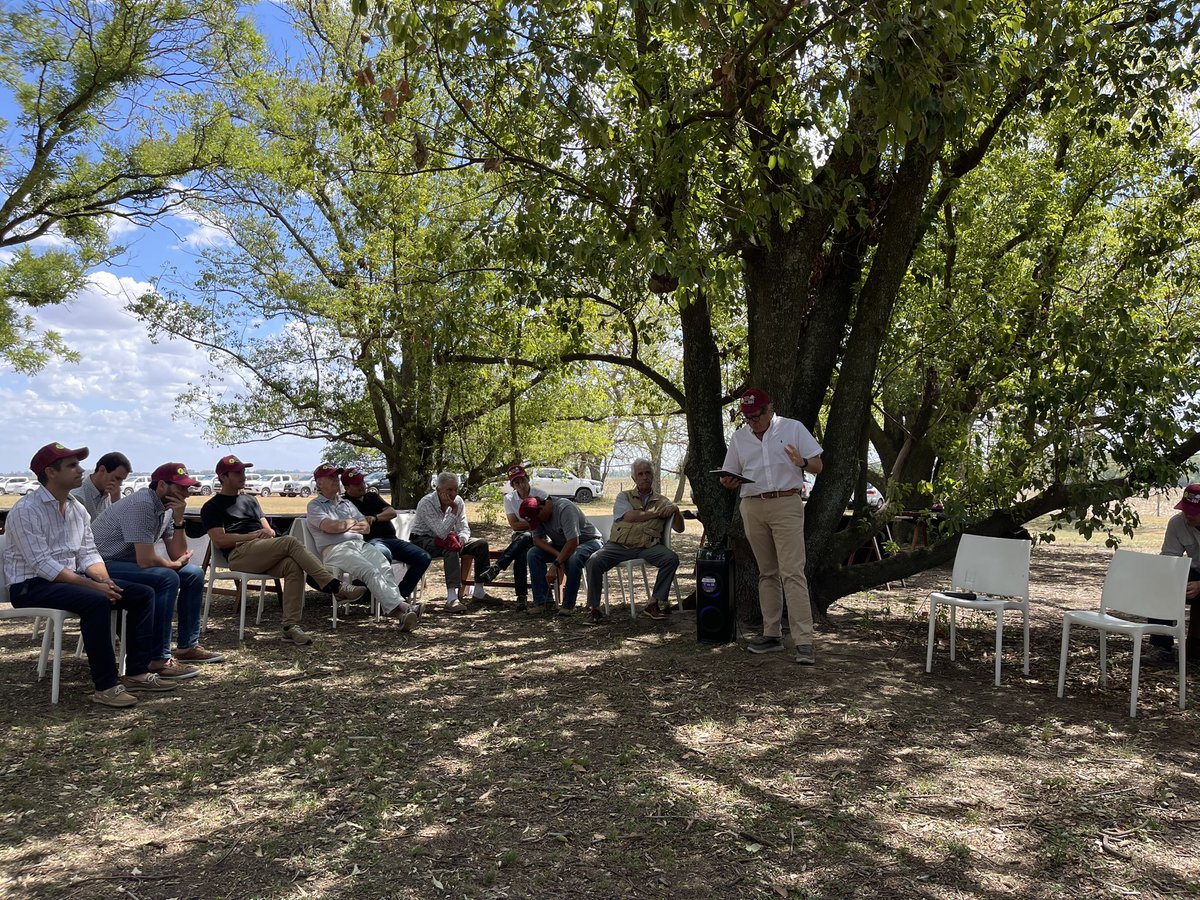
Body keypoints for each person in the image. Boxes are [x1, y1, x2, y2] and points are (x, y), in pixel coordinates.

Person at [2, 442, 173, 707]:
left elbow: (89, 554)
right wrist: (93, 587)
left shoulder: (76, 509)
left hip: (68, 579)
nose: (81, 470)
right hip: (29, 586)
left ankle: (138, 672)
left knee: (141, 594)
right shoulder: (26, 510)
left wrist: (105, 580)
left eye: (78, 464)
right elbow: (42, 565)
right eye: (72, 465)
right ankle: (106, 686)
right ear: (50, 472)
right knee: (96, 601)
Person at [201, 454, 369, 646]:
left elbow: (269, 530)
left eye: (243, 471)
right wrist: (253, 535)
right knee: (289, 541)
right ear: (223, 477)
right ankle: (335, 587)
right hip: (238, 554)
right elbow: (220, 540)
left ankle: (290, 627)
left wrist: (266, 532)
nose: (243, 475)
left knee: (292, 565)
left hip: (262, 550)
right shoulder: (211, 506)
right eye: (237, 472)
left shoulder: (250, 501)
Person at [720, 388, 823, 666]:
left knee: (792, 572)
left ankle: (804, 641)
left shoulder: (792, 428)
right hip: (752, 505)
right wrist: (727, 482)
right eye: (747, 417)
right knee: (767, 572)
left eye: (756, 416)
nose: (752, 422)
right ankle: (772, 634)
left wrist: (800, 462)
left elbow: (818, 465)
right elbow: (730, 472)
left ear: (769, 410)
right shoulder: (740, 437)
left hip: (786, 503)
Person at [92, 462, 222, 678]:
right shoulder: (143, 504)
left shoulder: (168, 510)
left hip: (128, 564)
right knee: (167, 578)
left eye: (187, 487)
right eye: (180, 487)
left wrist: (179, 520)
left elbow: (178, 553)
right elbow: (146, 560)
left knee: (193, 574)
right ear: (161, 485)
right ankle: (157, 658)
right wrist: (172, 565)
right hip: (102, 565)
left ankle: (187, 647)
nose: (186, 493)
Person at [305, 464, 421, 629]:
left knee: (383, 566)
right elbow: (329, 527)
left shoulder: (346, 504)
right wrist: (351, 523)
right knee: (369, 571)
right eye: (331, 477)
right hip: (336, 548)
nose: (336, 480)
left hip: (359, 544)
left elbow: (366, 526)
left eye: (336, 477)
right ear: (319, 483)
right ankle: (402, 610)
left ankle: (403, 612)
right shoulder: (315, 506)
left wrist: (344, 525)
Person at [585, 458, 684, 620]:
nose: (645, 477)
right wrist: (658, 513)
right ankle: (594, 608)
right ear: (634, 479)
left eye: (648, 473)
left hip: (648, 547)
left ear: (653, 475)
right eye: (640, 474)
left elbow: (680, 529)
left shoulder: (663, 501)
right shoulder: (623, 497)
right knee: (594, 561)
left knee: (671, 558)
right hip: (619, 546)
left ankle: (653, 603)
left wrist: (676, 511)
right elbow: (631, 516)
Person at [339, 468, 431, 606]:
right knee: (383, 554)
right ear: (347, 487)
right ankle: (383, 597)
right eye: (357, 484)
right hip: (370, 542)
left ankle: (399, 596)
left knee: (423, 557)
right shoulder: (344, 503)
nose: (362, 485)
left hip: (392, 539)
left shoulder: (372, 496)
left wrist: (375, 518)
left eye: (362, 481)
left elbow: (392, 512)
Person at [410, 473, 494, 610]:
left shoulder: (459, 501)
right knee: (450, 548)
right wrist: (454, 509)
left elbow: (464, 528)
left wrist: (462, 539)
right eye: (449, 490)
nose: (453, 493)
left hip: (448, 538)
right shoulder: (426, 503)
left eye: (455, 489)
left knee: (481, 544)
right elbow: (441, 532)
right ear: (438, 490)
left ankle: (479, 591)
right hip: (423, 540)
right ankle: (452, 598)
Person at [474, 464, 553, 610]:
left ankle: (497, 568)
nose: (521, 485)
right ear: (512, 485)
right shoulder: (509, 499)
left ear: (528, 479)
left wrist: (530, 523)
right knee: (521, 551)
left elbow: (544, 519)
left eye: (523, 480)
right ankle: (521, 596)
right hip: (519, 536)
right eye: (516, 482)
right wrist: (532, 522)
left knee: (524, 540)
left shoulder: (540, 494)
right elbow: (514, 526)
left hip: (540, 534)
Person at [520, 495, 604, 623]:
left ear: (542, 508)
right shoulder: (536, 515)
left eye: (538, 519)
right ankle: (543, 602)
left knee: (573, 558)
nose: (539, 523)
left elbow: (573, 542)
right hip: (562, 545)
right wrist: (558, 557)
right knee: (533, 553)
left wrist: (555, 565)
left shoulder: (564, 508)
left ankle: (568, 605)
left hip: (588, 542)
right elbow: (537, 540)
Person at [1152, 483, 1200, 659]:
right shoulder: (1177, 523)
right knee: (1163, 583)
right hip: (1194, 570)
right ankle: (1161, 647)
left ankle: (1195, 646)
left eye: (1194, 511)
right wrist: (1176, 582)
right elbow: (1169, 561)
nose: (1188, 515)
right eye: (1186, 509)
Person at [70, 451, 131, 520]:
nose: (120, 484)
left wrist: (117, 502)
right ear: (102, 470)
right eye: (117, 478)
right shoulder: (77, 497)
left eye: (122, 480)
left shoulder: (116, 496)